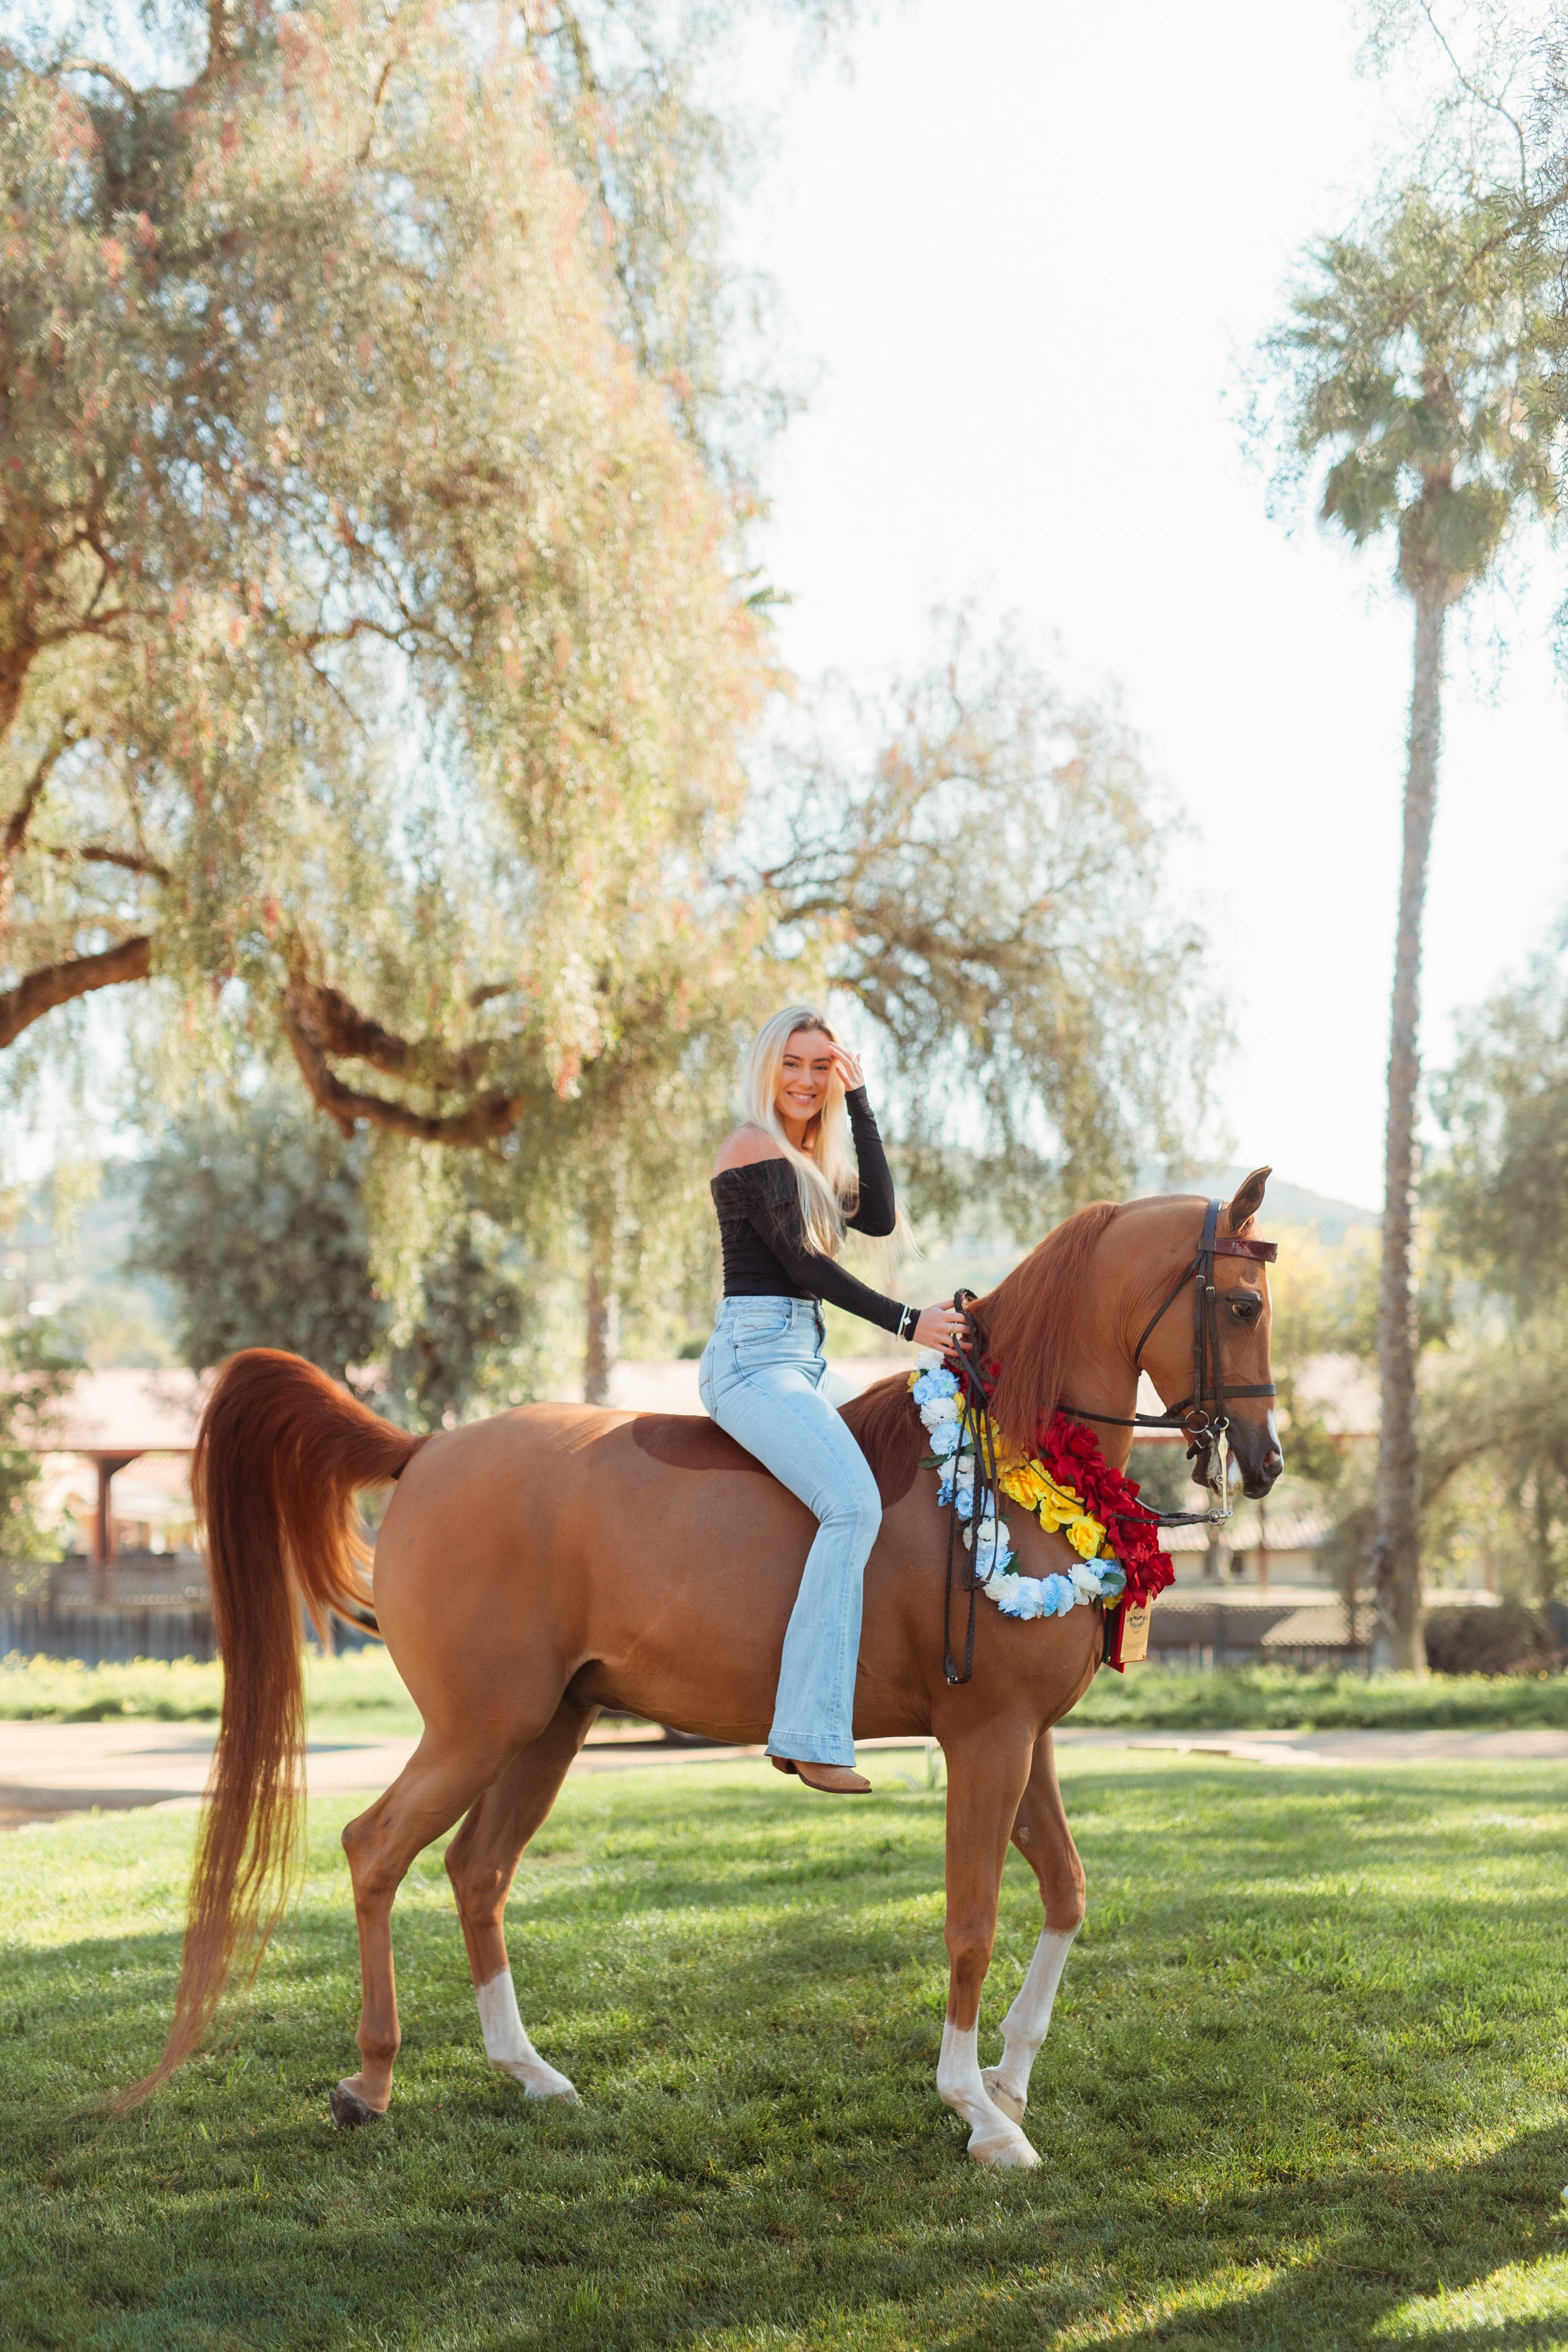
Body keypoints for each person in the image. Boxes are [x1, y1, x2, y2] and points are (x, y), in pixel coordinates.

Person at [699, 1007, 968, 1794]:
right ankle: (809, 1733)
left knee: (918, 1459)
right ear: (765, 1066)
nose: (806, 1080)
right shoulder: (750, 1147)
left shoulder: (811, 1162)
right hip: (752, 1360)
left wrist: (861, 1101)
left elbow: (880, 1216)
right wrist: (908, 1322)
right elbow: (808, 1268)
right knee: (852, 1504)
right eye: (794, 1063)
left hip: (806, 1359)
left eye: (822, 1066)